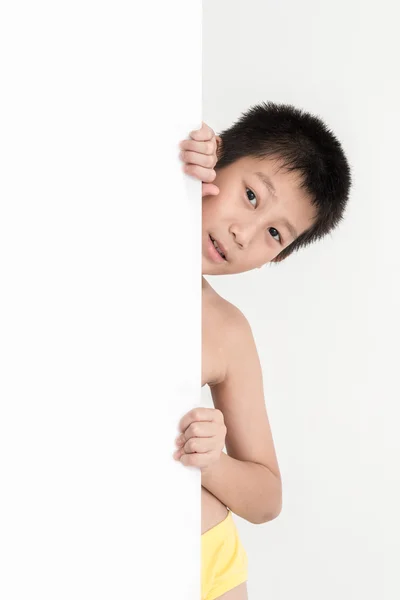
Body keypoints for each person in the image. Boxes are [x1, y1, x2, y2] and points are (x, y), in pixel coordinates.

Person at [173, 101, 352, 600]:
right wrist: (172, 148)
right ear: (215, 161)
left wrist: (213, 462)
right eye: (251, 195)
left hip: (203, 564)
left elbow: (267, 497)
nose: (243, 233)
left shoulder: (225, 330)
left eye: (274, 234)